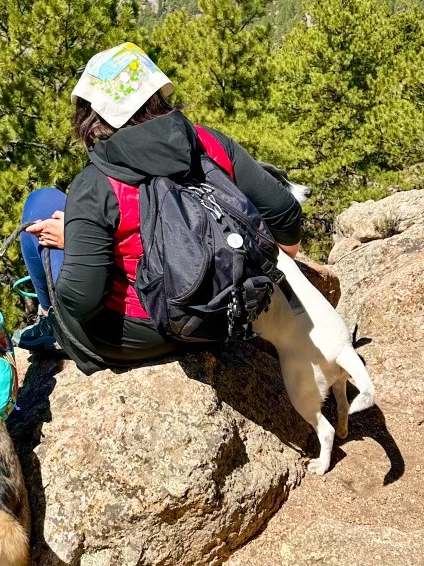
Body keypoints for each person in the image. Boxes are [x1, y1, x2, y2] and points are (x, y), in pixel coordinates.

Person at [16, 42, 302, 374]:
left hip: (142, 331)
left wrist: (78, 243)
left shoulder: (97, 183)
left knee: (42, 203)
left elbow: (81, 301)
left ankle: (49, 326)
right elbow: (286, 214)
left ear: (92, 114)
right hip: (231, 311)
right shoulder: (207, 142)